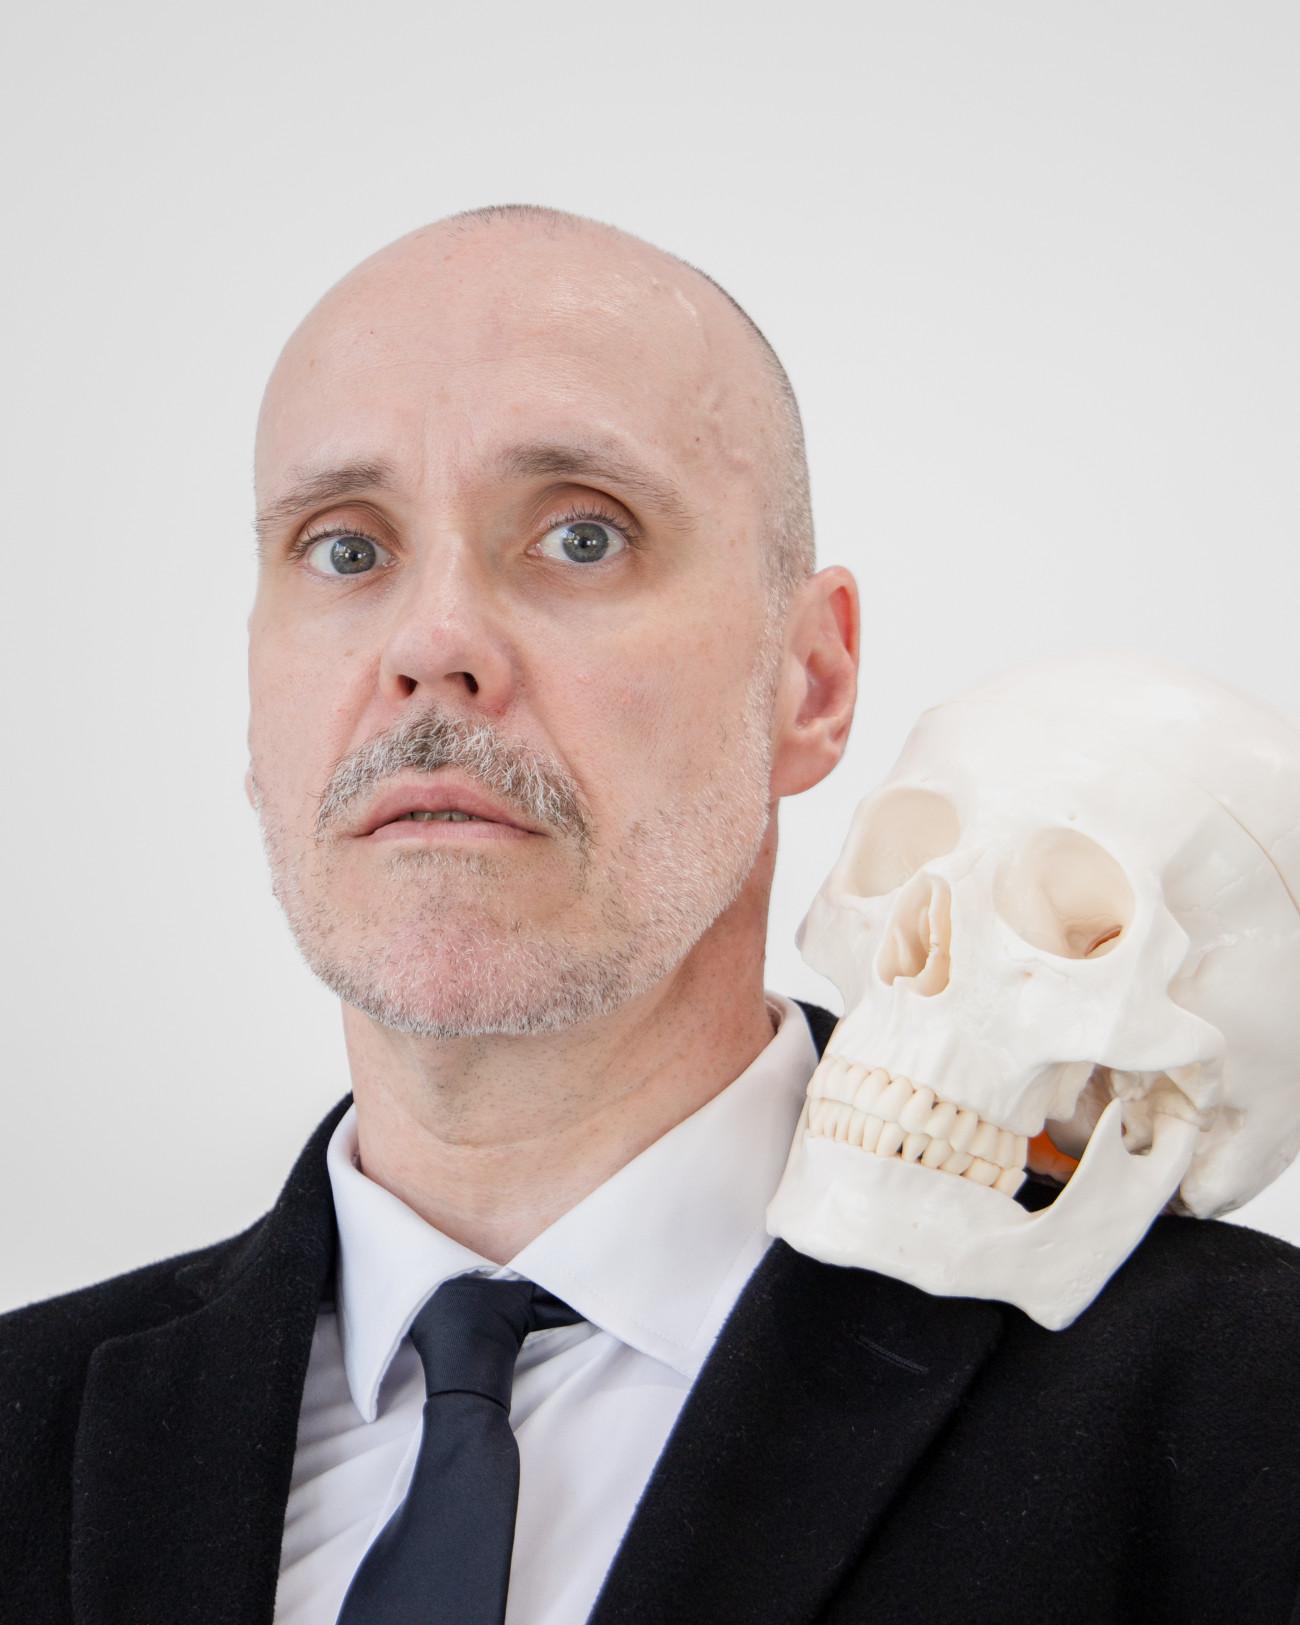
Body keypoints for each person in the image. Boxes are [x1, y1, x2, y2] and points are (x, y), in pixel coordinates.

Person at [1, 206, 1296, 1625]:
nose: (432, 646)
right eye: (346, 551)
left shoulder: (1246, 1413)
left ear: (810, 680)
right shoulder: (22, 1429)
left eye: (581, 534)